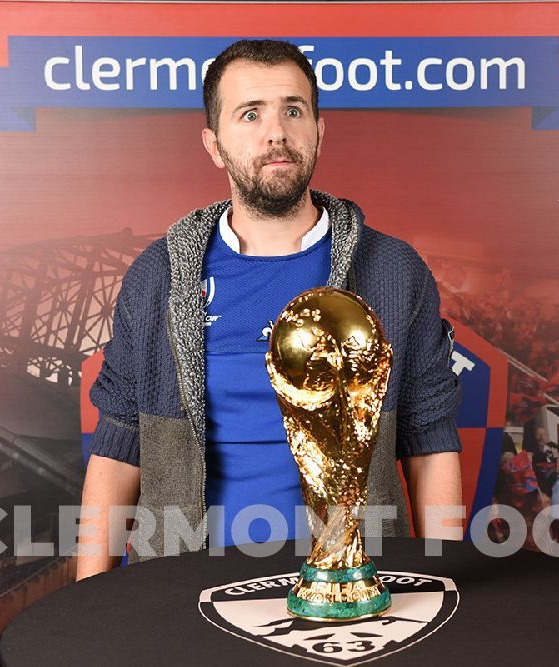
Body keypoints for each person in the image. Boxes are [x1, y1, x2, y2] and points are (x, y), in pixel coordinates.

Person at [76, 40, 462, 580]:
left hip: (354, 589)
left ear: (319, 131)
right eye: (250, 114)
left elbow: (430, 438)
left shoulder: (392, 271)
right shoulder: (159, 276)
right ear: (213, 144)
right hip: (181, 590)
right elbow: (118, 447)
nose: (275, 132)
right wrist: (90, 606)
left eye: (293, 109)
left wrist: (448, 585)